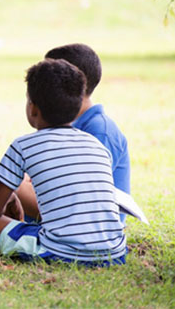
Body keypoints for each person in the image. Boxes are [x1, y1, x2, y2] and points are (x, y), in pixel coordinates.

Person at [0, 58, 127, 266]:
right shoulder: (96, 144)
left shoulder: (23, 145)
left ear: (32, 108)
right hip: (115, 253)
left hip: (59, 252)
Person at [45, 43, 130, 218]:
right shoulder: (62, 123)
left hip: (87, 218)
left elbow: (82, 192)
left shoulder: (100, 130)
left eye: (47, 79)